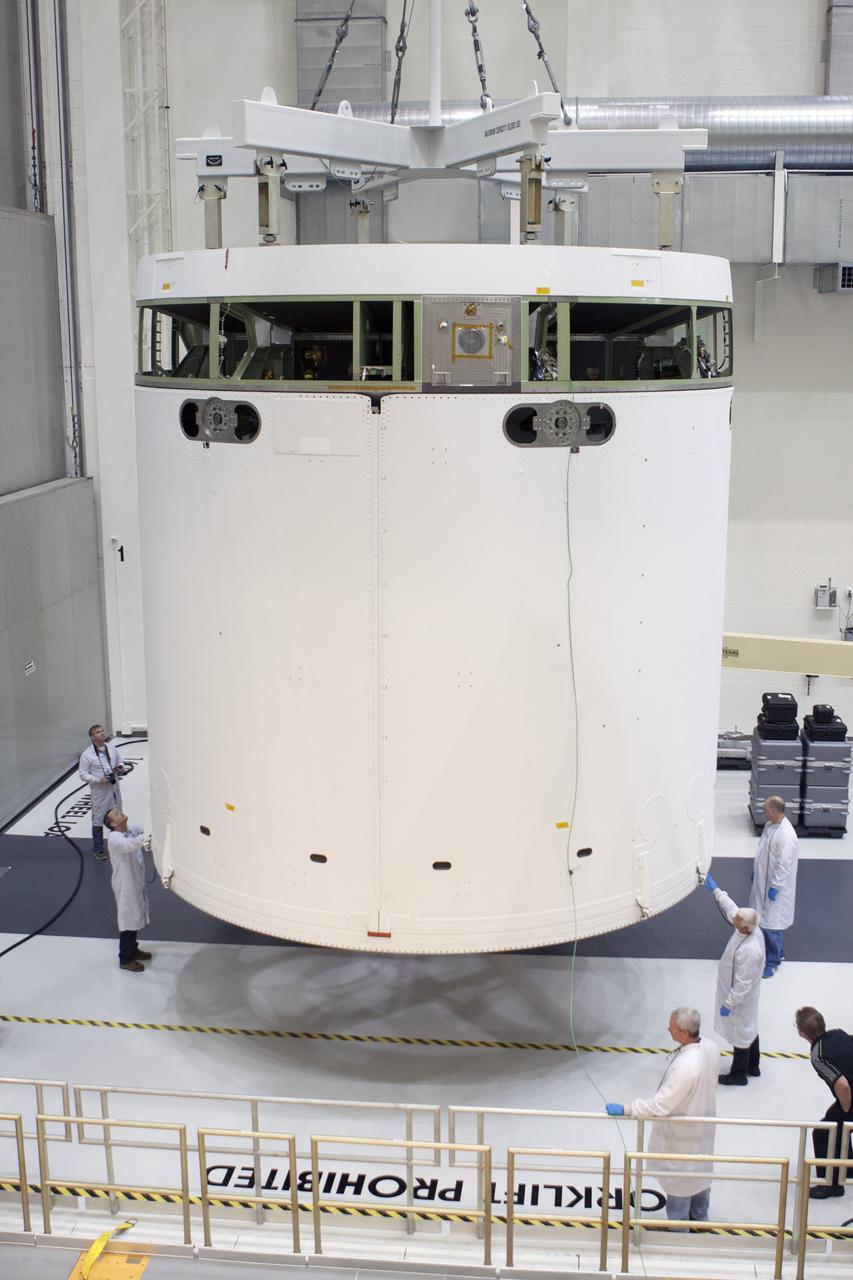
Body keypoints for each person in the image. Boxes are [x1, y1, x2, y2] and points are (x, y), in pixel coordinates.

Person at [605, 1007, 719, 1227]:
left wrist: (628, 1109)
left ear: (683, 1033)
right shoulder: (710, 1047)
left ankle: (679, 1235)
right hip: (701, 1127)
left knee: (680, 1188)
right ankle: (701, 1222)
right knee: (699, 1177)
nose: (668, 1029)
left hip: (683, 1137)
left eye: (672, 1027)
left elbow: (660, 1104)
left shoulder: (686, 1067)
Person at [703, 874, 765, 1085]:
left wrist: (729, 1004)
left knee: (740, 1033)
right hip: (743, 996)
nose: (733, 920)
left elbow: (742, 984)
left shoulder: (750, 950)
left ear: (745, 928)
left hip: (740, 999)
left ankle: (738, 1074)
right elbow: (732, 909)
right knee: (750, 1029)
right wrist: (716, 890)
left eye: (737, 920)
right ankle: (753, 1065)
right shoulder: (749, 926)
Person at [795, 1006, 853, 1198]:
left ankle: (831, 1184)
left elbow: (842, 1085)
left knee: (823, 1132)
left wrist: (846, 1109)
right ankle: (847, 1168)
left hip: (851, 1096)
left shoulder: (818, 1055)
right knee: (838, 1124)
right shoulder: (838, 1033)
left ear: (802, 1032)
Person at [749, 795, 798, 979]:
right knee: (769, 923)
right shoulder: (770, 826)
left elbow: (783, 865)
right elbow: (763, 851)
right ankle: (779, 952)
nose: (763, 811)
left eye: (766, 808)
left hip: (775, 889)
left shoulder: (786, 835)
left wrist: (775, 887)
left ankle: (773, 962)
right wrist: (757, 871)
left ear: (774, 811)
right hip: (763, 880)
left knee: (772, 926)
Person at [104, 808, 151, 972]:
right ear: (113, 824)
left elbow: (144, 828)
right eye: (116, 814)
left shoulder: (129, 830)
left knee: (134, 917)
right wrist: (149, 835)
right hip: (125, 885)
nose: (120, 813)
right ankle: (125, 958)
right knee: (128, 921)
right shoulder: (115, 839)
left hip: (134, 881)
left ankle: (133, 949)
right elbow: (131, 844)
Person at [78, 725, 128, 861]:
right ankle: (98, 849)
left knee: (117, 817)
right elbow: (82, 774)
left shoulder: (111, 748)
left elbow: (120, 760)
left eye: (102, 731)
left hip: (114, 788)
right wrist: (97, 780)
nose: (102, 733)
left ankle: (119, 845)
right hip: (100, 792)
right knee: (98, 820)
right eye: (98, 732)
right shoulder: (87, 755)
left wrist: (120, 767)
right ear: (92, 737)